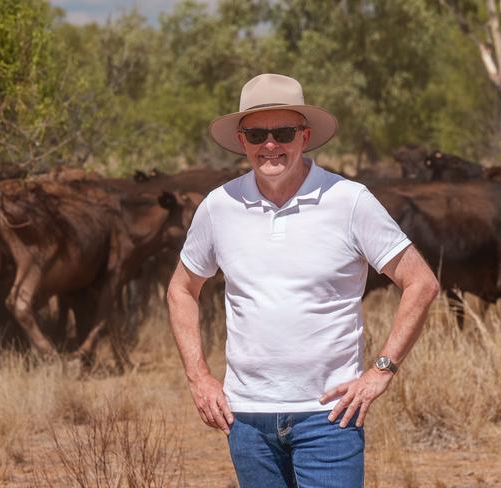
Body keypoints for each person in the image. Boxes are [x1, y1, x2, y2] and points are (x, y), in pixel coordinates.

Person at [167, 73, 439, 487]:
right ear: (242, 141)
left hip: (329, 416)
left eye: (283, 132)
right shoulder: (219, 206)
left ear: (305, 136)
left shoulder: (349, 201)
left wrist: (381, 371)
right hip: (246, 419)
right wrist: (199, 377)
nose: (270, 145)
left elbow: (421, 282)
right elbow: (182, 289)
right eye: (257, 134)